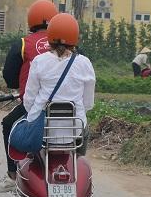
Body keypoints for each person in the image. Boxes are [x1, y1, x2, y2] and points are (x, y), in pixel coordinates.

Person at [0, 0, 56, 193]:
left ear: (31, 21)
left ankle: (12, 174)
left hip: (35, 104)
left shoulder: (23, 44)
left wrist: (16, 87)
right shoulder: (70, 45)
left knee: (8, 124)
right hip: (66, 107)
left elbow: (10, 76)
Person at [20, 12, 96, 140]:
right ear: (75, 38)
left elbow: (29, 100)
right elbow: (88, 103)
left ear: (49, 36)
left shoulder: (39, 61)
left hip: (42, 128)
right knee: (85, 130)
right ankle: (78, 156)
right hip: (74, 129)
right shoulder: (84, 63)